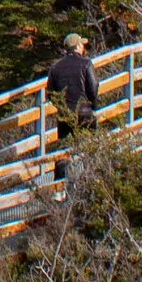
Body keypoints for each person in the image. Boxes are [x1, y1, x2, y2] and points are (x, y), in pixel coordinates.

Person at [45, 33, 98, 180]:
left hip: (65, 115)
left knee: (63, 150)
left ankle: (60, 187)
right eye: (82, 44)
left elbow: (49, 93)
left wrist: (61, 107)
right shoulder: (86, 63)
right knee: (90, 146)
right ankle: (92, 178)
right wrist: (94, 105)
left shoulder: (55, 68)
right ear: (78, 46)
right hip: (84, 111)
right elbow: (93, 87)